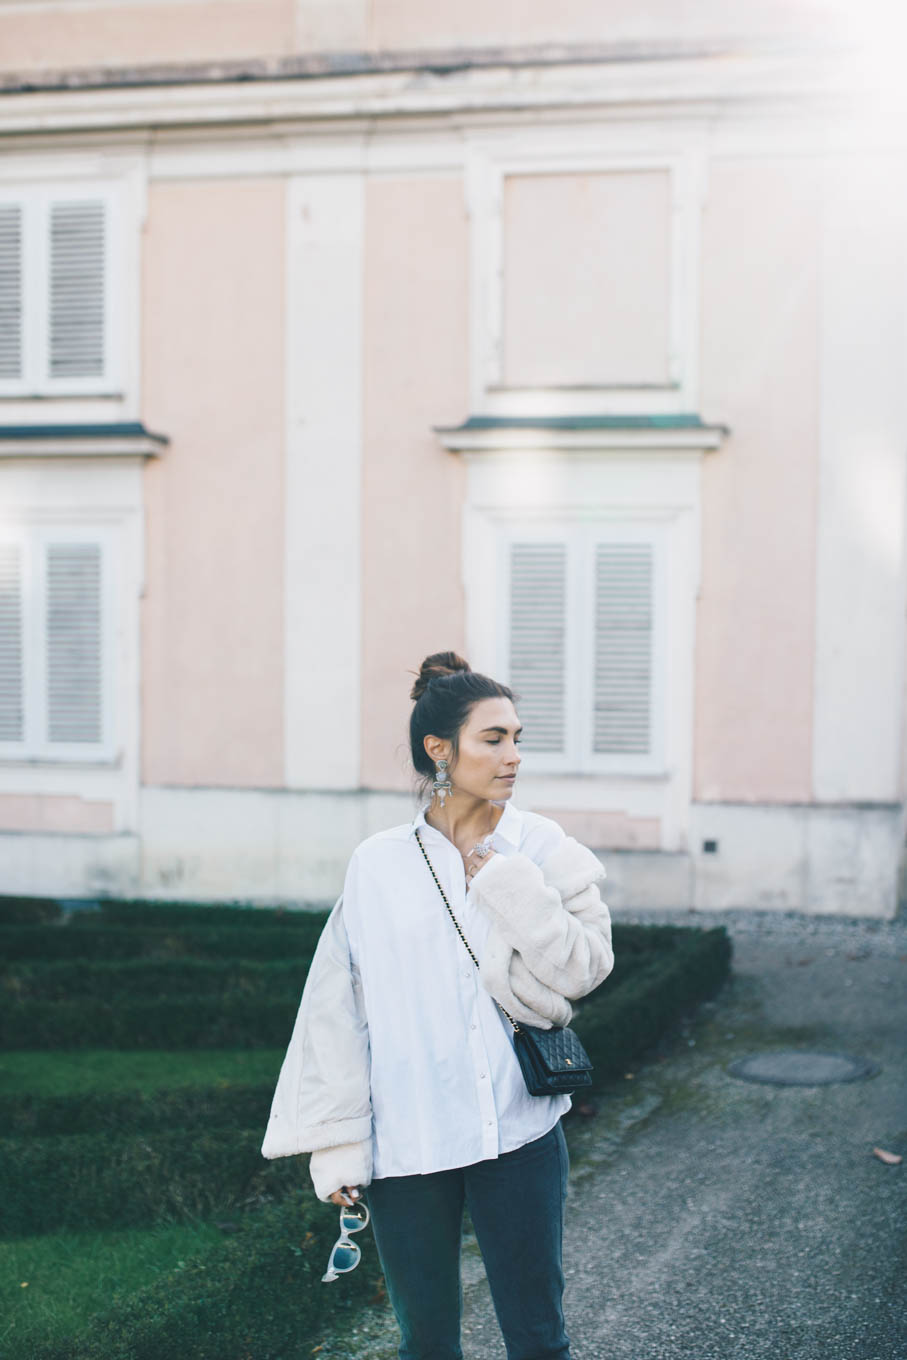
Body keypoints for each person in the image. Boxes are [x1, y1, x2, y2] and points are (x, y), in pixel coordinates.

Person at [262, 651, 614, 1360]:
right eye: (493, 739)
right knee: (425, 1342)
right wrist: (338, 1145)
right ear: (439, 749)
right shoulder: (378, 864)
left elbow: (584, 968)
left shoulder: (539, 847)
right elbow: (337, 1010)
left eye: (517, 737)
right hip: (409, 1143)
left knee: (539, 1337)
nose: (513, 755)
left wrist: (511, 886)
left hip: (516, 1132)